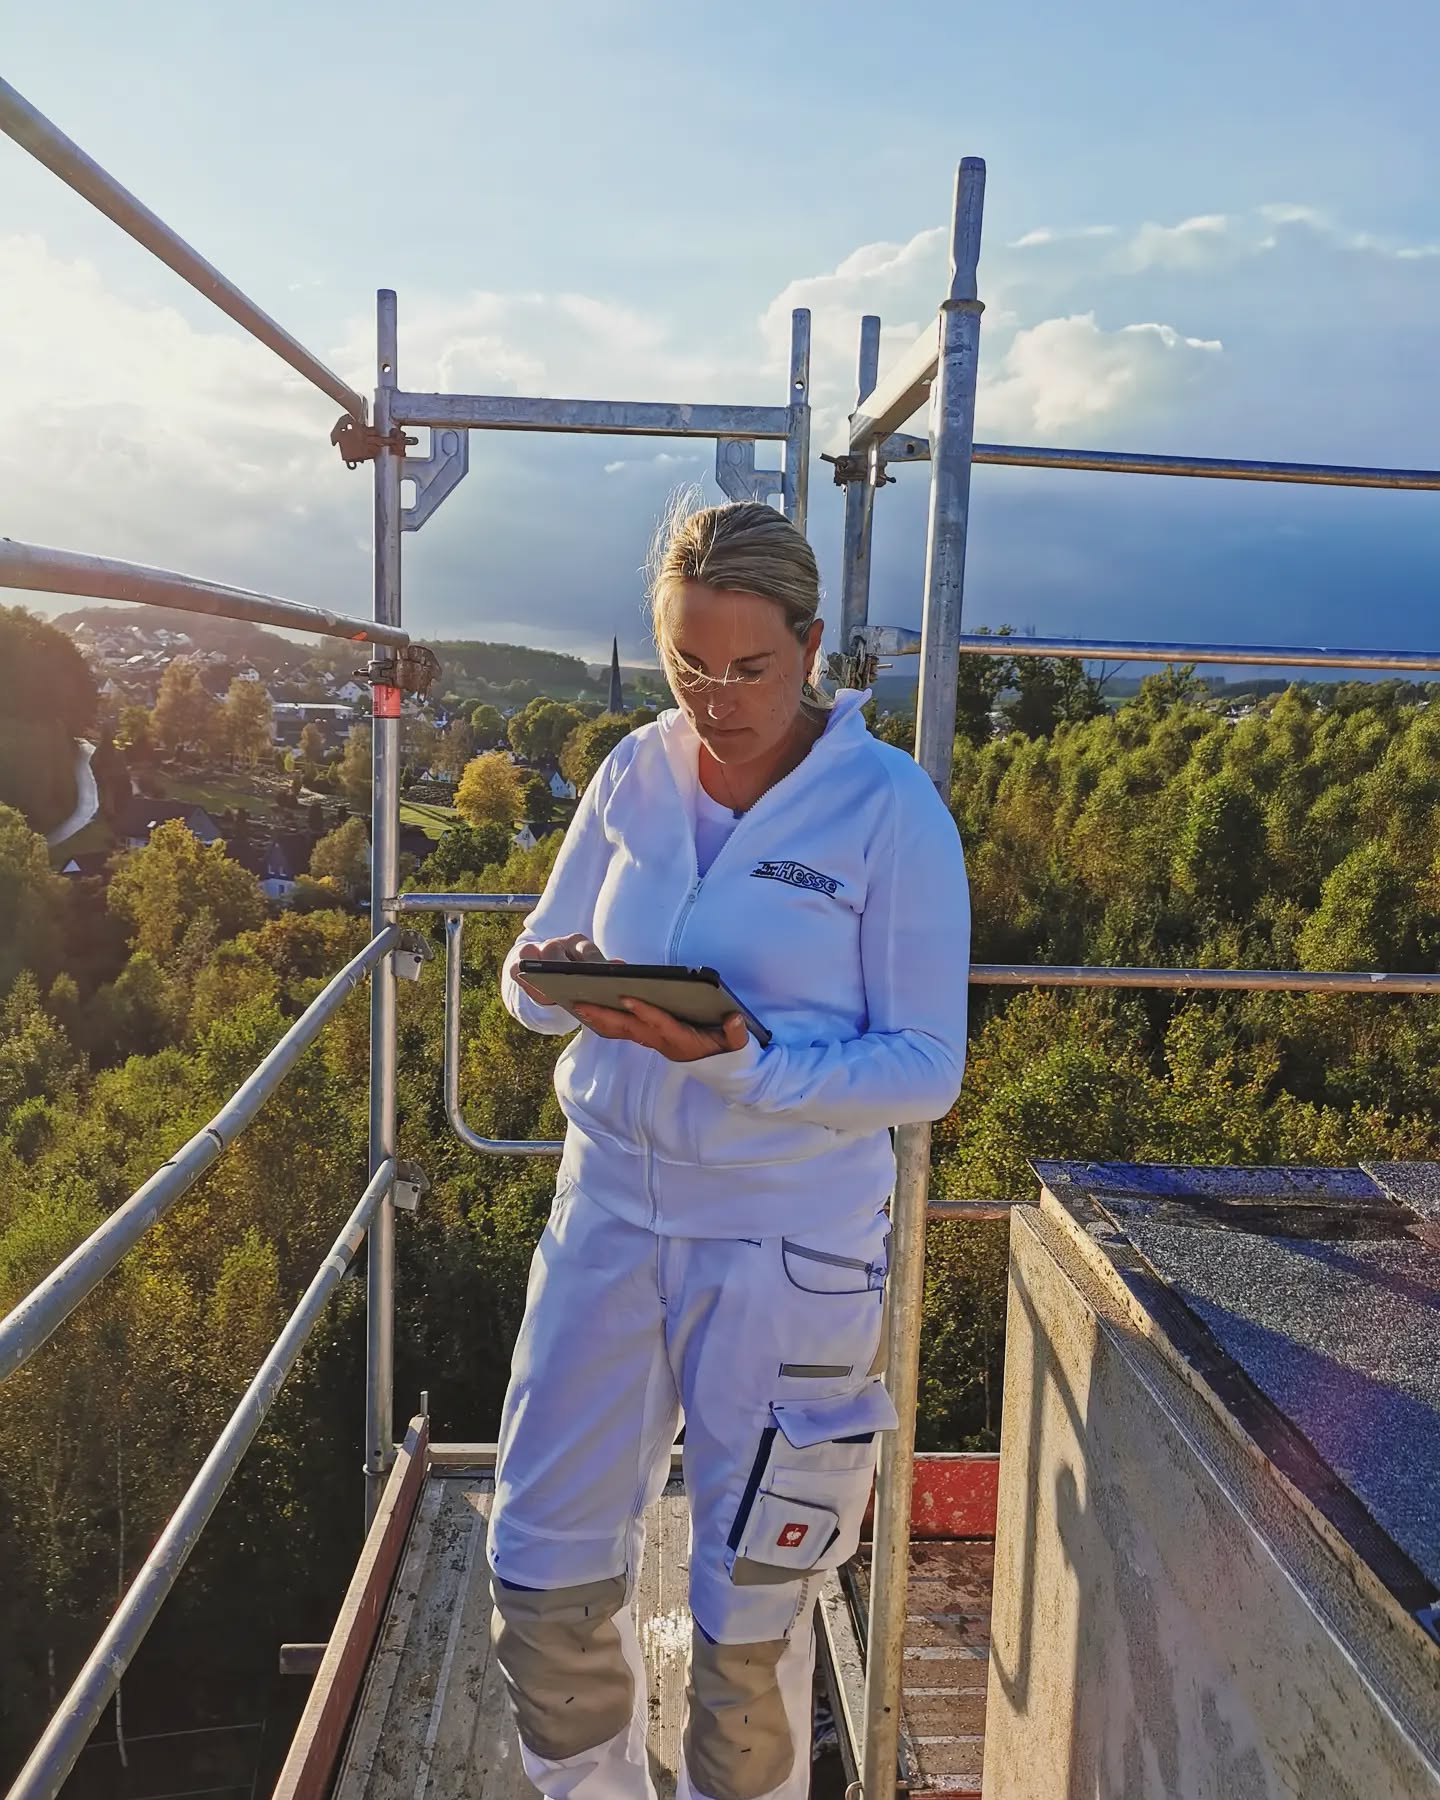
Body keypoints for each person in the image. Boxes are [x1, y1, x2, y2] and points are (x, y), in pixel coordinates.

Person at [488, 498, 971, 1800]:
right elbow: (528, 984)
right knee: (537, 1580)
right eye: (689, 666)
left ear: (814, 647)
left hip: (788, 1246)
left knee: (747, 1632)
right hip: (606, 1221)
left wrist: (744, 1061)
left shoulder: (888, 811)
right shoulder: (633, 771)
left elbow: (928, 1067)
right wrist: (552, 975)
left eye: (750, 667)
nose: (716, 697)